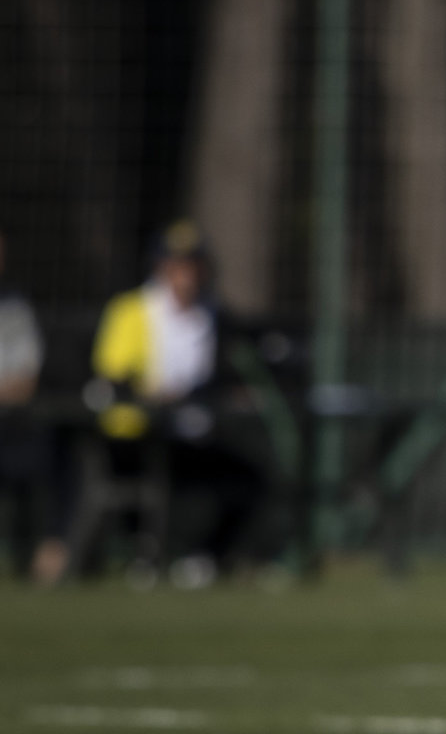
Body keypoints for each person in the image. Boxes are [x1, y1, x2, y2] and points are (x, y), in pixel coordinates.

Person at [86, 220, 263, 587]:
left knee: (247, 481)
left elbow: (229, 372)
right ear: (160, 266)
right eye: (178, 264)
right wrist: (152, 391)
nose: (187, 274)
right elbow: (113, 374)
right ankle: (144, 554)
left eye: (193, 264)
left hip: (192, 430)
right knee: (144, 478)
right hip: (138, 432)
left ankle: (202, 560)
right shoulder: (132, 309)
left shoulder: (213, 315)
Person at [0, 226, 69, 584]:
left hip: (11, 422)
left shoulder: (15, 308)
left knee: (55, 455)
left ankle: (49, 552)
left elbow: (24, 380)